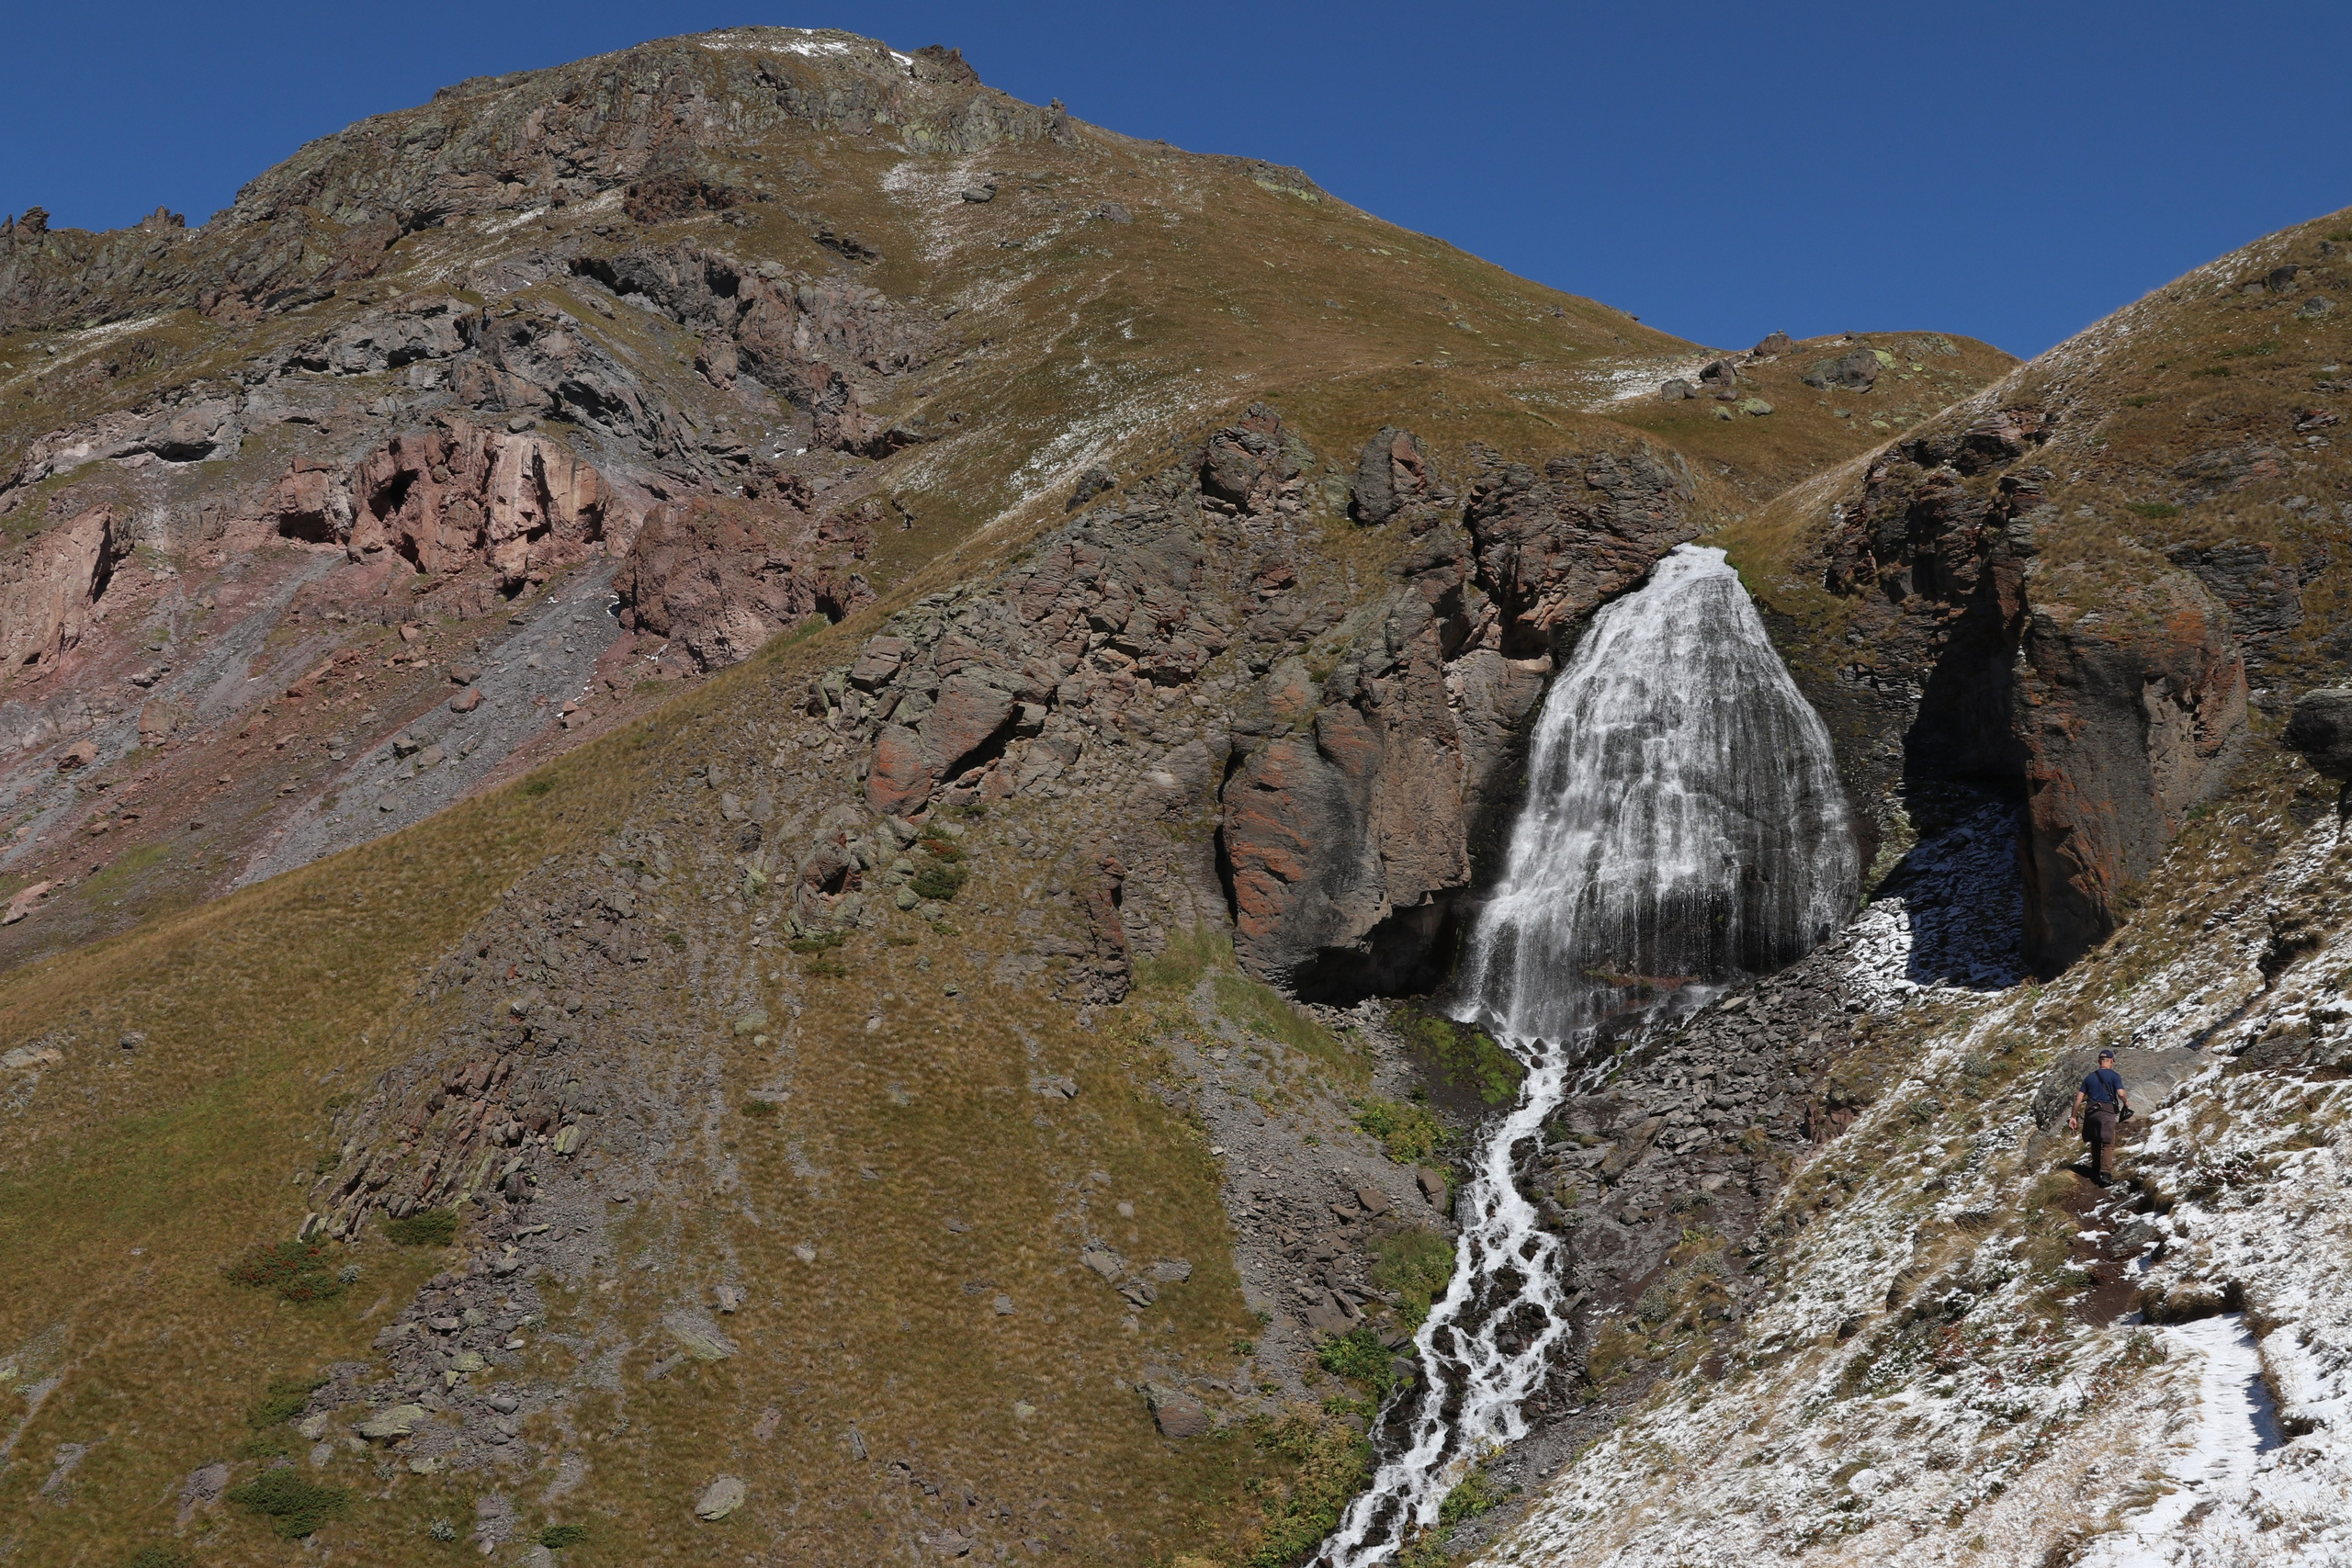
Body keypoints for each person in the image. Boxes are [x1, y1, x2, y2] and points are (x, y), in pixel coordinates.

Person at [2068, 1048, 2132, 1187]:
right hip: (2106, 1111)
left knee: (2095, 1140)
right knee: (2108, 1143)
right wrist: (2125, 1102)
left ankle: (2095, 1168)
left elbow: (2079, 1097)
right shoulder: (2114, 1076)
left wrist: (2073, 1116)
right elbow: (2120, 1093)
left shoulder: (2090, 1077)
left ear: (2099, 1061)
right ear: (2111, 1061)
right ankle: (2105, 1174)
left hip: (2090, 1111)